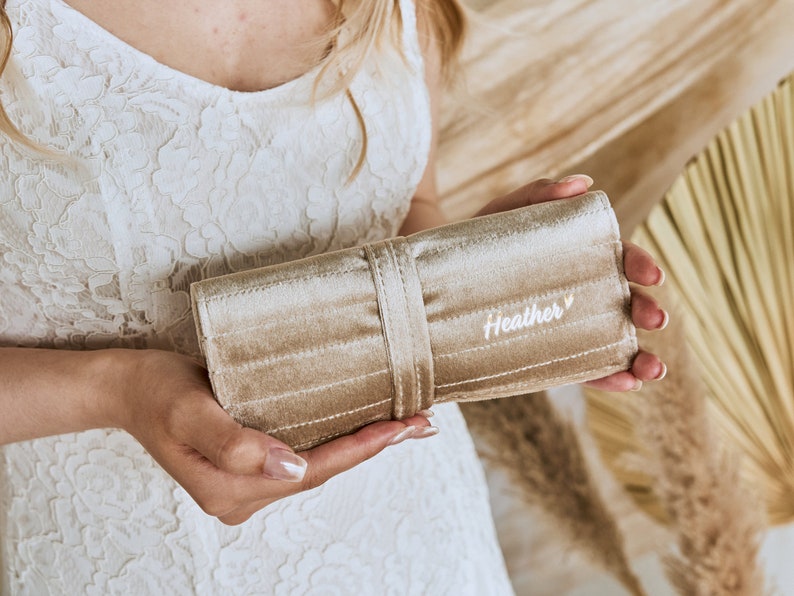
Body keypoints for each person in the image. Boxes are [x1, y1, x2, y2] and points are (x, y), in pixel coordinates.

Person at [0, 0, 668, 593]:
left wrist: (483, 271)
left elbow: (406, 206)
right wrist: (117, 390)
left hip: (423, 547)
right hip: (132, 560)